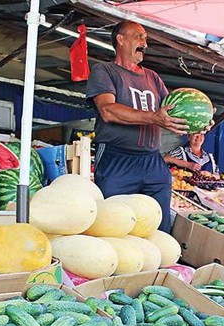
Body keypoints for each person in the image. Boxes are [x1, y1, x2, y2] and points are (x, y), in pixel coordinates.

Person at [86, 20, 211, 233]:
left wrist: (194, 124)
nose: (145, 43)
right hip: (117, 160)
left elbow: (169, 114)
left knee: (158, 226)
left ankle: (159, 264)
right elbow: (107, 110)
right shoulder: (105, 71)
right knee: (114, 226)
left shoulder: (152, 77)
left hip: (152, 161)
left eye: (146, 38)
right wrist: (153, 117)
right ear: (120, 39)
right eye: (139, 37)